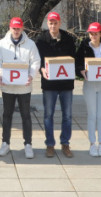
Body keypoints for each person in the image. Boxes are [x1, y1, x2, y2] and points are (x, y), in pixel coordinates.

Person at [0, 17, 40, 159]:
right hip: (7, 88)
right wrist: (0, 75)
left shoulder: (30, 44)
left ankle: (28, 144)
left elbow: (36, 61)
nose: (16, 31)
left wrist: (31, 75)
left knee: (26, 116)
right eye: (14, 28)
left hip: (24, 88)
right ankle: (5, 143)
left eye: (18, 28)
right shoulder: (2, 44)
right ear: (10, 28)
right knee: (7, 115)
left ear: (22, 28)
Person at [35, 11, 78, 158]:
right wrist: (41, 69)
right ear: (47, 24)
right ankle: (50, 145)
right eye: (50, 23)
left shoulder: (68, 39)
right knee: (48, 115)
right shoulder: (41, 40)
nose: (53, 25)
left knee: (67, 115)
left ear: (60, 23)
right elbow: (39, 60)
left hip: (66, 84)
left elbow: (74, 59)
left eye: (55, 23)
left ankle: (65, 144)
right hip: (49, 84)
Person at [75, 22, 101, 157]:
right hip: (89, 84)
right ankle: (92, 144)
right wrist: (81, 71)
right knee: (92, 115)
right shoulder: (84, 46)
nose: (93, 36)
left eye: (96, 33)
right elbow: (77, 63)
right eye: (91, 33)